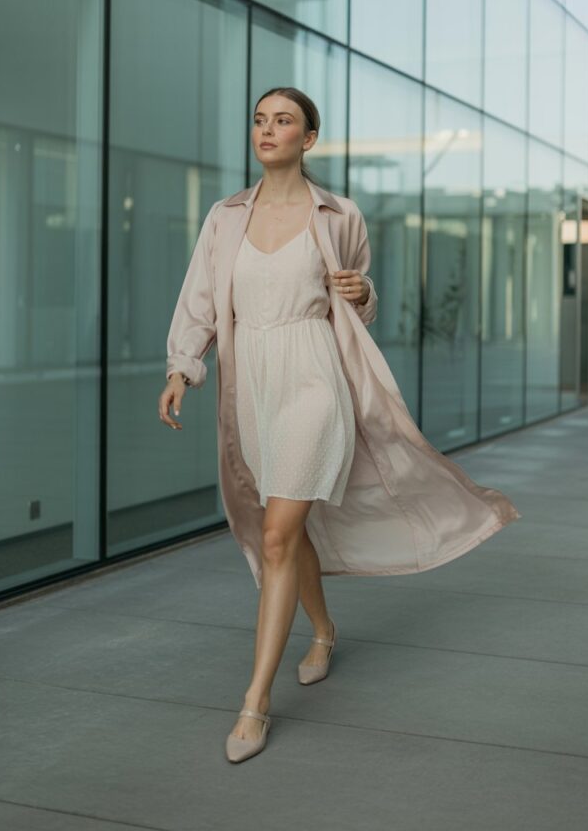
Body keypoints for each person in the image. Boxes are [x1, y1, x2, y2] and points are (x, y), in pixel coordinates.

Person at [158, 86, 521, 764]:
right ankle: (323, 629)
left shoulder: (339, 213)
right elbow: (200, 301)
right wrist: (183, 368)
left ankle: (254, 703)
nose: (267, 130)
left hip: (314, 379)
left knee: (276, 534)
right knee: (287, 531)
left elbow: (354, 297)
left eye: (283, 121)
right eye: (260, 120)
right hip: (251, 384)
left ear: (309, 138)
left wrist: (364, 292)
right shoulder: (225, 216)